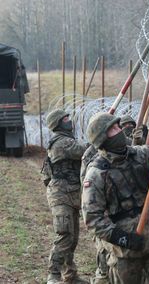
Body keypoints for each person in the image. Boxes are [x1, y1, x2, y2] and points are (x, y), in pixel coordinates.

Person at [81, 111, 149, 284]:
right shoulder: (97, 174)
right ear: (102, 139)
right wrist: (124, 239)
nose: (120, 130)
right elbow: (93, 219)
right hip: (125, 253)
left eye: (118, 126)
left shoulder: (141, 154)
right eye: (113, 129)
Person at [43, 109, 89, 284]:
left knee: (73, 237)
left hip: (72, 193)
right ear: (58, 123)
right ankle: (53, 275)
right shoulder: (62, 143)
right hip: (61, 194)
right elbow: (84, 151)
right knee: (64, 234)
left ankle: (70, 275)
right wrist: (98, 134)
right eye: (66, 119)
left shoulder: (67, 140)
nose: (70, 121)